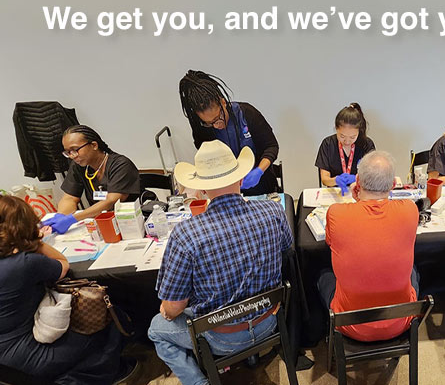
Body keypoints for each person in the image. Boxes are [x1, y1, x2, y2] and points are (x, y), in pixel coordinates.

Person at [148, 140, 292, 385]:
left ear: (202, 189)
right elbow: (286, 248)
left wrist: (167, 309)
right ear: (240, 178)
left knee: (156, 328)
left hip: (222, 337)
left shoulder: (186, 233)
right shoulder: (274, 210)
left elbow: (173, 308)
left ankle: (198, 382)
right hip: (269, 321)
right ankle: (252, 356)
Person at [0, 196, 129, 384]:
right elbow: (63, 265)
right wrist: (35, 240)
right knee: (109, 316)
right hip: (25, 358)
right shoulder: (25, 263)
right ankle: (92, 377)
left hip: (5, 366)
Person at [317, 151, 420, 342]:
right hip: (400, 321)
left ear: (358, 181)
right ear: (393, 185)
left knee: (323, 275)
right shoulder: (410, 210)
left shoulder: (336, 213)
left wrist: (357, 201)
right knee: (413, 272)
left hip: (350, 324)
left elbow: (330, 242)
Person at [179, 69, 280, 195]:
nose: (216, 126)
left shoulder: (247, 114)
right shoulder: (201, 129)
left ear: (223, 102)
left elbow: (271, 146)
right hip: (225, 193)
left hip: (261, 188)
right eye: (209, 123)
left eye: (217, 118)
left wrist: (259, 171)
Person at [42, 124, 141, 234]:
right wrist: (61, 216)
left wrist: (73, 219)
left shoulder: (121, 164)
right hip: (104, 223)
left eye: (75, 150)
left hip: (132, 222)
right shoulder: (79, 166)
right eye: (68, 152)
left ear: (94, 145)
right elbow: (69, 198)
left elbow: (111, 201)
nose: (72, 156)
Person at [315, 102, 376, 194]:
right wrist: (335, 180)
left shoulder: (366, 144)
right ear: (336, 129)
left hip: (361, 193)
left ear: (359, 131)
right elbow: (324, 179)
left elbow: (372, 176)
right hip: (335, 194)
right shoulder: (328, 144)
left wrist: (356, 179)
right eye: (342, 136)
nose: (347, 141)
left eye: (352, 137)